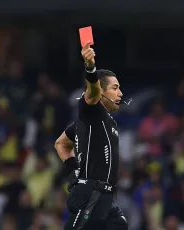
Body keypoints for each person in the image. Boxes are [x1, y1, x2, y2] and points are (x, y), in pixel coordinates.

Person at [54, 42, 127, 230]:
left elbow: (61, 144)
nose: (120, 93)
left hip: (106, 198)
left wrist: (73, 168)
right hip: (91, 194)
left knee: (120, 225)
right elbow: (92, 92)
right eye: (115, 88)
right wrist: (90, 66)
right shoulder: (92, 110)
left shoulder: (92, 122)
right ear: (101, 92)